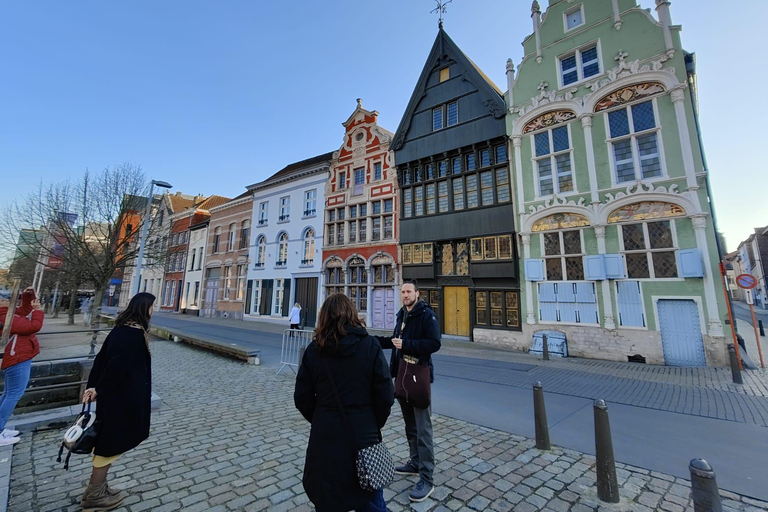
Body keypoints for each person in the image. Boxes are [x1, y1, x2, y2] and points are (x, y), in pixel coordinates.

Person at [294, 293, 394, 512]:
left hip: (326, 438)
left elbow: (302, 398)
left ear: (323, 317)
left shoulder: (314, 350)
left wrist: (321, 416)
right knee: (370, 500)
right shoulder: (371, 346)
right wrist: (372, 422)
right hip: (363, 436)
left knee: (327, 498)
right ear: (352, 314)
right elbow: (385, 395)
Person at [80, 292, 155, 512]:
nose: (154, 310)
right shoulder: (133, 335)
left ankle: (99, 488)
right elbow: (116, 367)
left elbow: (101, 359)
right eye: (152, 306)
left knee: (108, 442)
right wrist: (99, 389)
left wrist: (93, 386)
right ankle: (94, 495)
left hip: (113, 396)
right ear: (145, 308)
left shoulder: (120, 329)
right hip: (121, 398)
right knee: (108, 445)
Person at [376, 281, 441, 503]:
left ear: (417, 294)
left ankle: (427, 478)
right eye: (402, 292)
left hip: (418, 376)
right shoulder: (401, 315)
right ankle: (414, 462)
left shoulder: (426, 315)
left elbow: (434, 343)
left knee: (423, 429)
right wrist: (369, 341)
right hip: (402, 376)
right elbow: (395, 343)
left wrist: (407, 344)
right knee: (410, 426)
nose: (405, 295)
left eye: (408, 292)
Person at [0, 287, 44, 446]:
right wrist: (38, 311)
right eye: (3, 298)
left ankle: (0, 428)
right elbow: (33, 326)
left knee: (8, 393)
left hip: (19, 356)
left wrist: (27, 295)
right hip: (17, 357)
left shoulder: (8, 313)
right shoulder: (5, 317)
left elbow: (24, 310)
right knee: (13, 394)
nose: (7, 299)